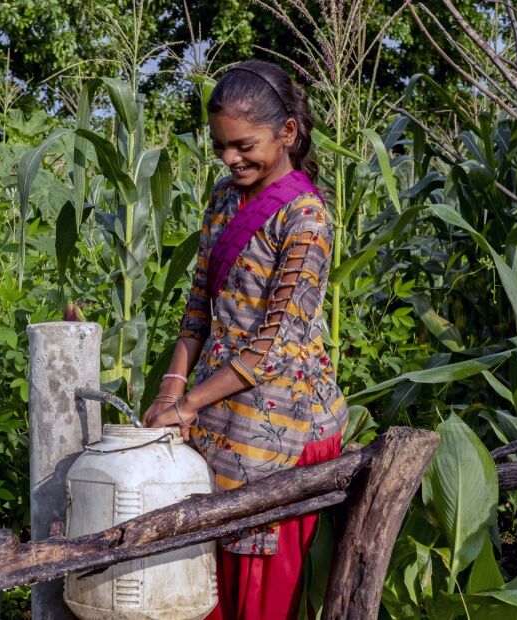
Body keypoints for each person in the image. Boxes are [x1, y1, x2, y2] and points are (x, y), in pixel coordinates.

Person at [141, 60, 349, 620]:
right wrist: (171, 388)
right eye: (220, 147)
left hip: (278, 425)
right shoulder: (224, 198)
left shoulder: (305, 218)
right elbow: (198, 308)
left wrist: (185, 404)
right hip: (215, 415)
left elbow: (274, 346)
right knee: (202, 585)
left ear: (287, 133)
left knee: (258, 596)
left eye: (243, 145)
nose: (231, 159)